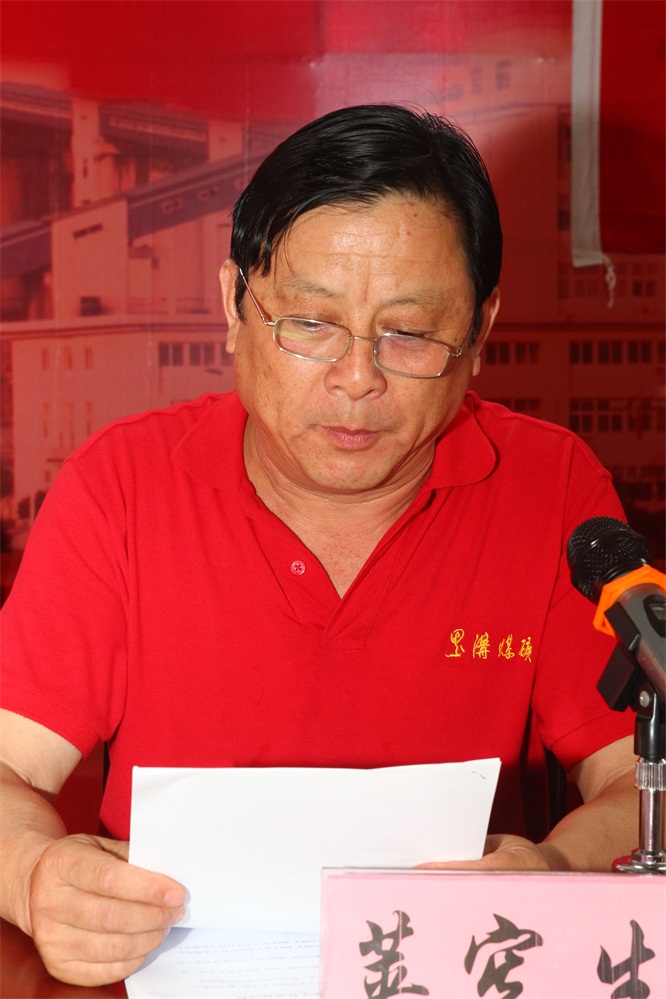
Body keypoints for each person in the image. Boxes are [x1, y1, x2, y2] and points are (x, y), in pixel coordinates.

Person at [0, 104, 636, 987]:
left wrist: (557, 871)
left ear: (481, 331)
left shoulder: (551, 487)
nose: (357, 376)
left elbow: (641, 779)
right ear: (233, 303)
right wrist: (32, 875)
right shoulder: (124, 486)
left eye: (410, 332)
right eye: (309, 322)